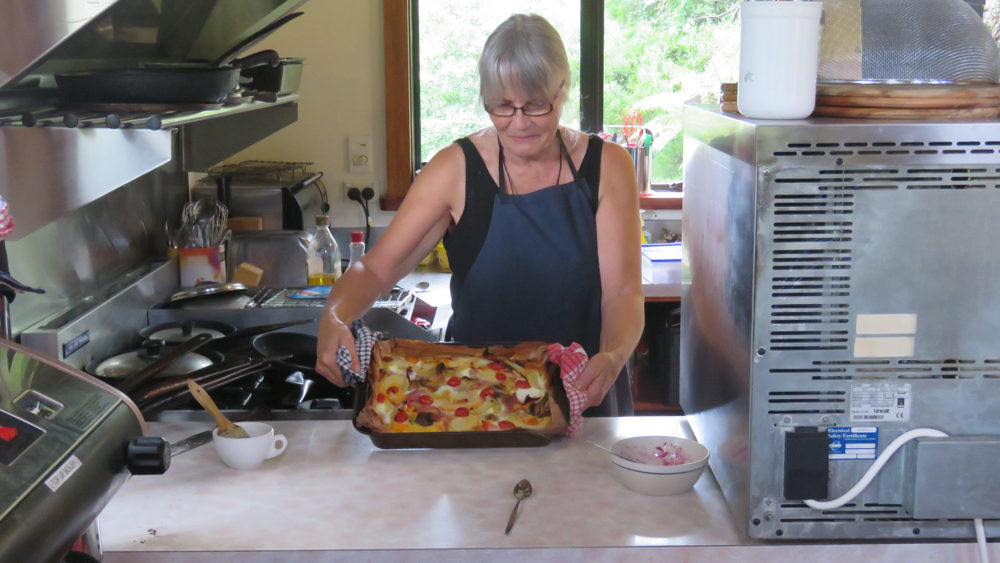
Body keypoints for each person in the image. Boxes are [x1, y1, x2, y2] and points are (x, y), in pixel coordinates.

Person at [316, 13, 644, 415]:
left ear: (562, 92)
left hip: (585, 397)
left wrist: (613, 356)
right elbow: (375, 270)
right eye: (502, 106)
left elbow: (623, 293)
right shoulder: (455, 170)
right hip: (476, 408)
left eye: (536, 105)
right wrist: (335, 315)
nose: (519, 122)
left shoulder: (608, 166)